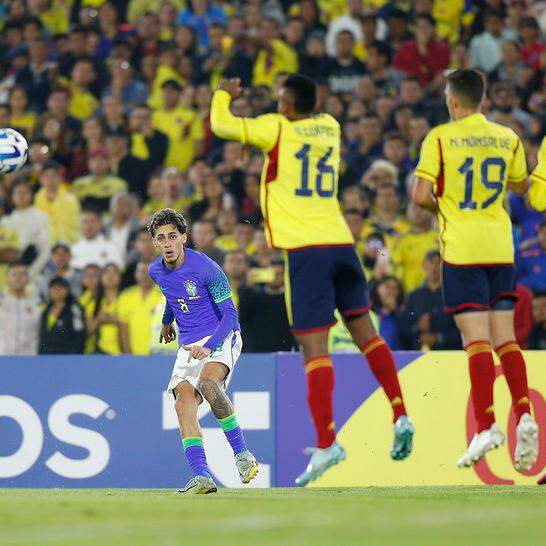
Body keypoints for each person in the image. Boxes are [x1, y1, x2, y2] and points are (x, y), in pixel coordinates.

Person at [211, 74, 413, 486]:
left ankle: (327, 442)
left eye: (281, 101)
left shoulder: (277, 127)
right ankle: (401, 413)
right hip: (342, 244)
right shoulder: (331, 128)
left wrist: (224, 95)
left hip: (306, 253)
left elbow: (221, 124)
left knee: (313, 348)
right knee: (367, 335)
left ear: (286, 104)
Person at [413, 68, 538, 471]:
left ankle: (486, 425)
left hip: (462, 249)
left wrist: (445, 208)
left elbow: (420, 194)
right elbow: (521, 187)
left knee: (476, 339)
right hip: (501, 246)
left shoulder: (440, 138)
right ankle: (525, 415)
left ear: (452, 100)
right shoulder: (507, 137)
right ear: (482, 99)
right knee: (507, 337)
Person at [147, 208, 258, 494]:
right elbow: (172, 294)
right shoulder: (155, 270)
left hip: (220, 335)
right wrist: (166, 321)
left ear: (184, 237)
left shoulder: (207, 268)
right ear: (155, 243)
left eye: (173, 236)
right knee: (182, 404)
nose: (168, 243)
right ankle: (202, 475)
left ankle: (242, 455)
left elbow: (231, 317)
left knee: (208, 385)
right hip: (187, 343)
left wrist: (208, 347)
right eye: (161, 238)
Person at [399, 250, 460, 350]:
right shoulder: (414, 296)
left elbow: (462, 329)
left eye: (439, 263)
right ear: (424, 265)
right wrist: (417, 328)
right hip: (417, 355)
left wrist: (438, 337)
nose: (434, 267)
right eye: (431, 262)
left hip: (449, 355)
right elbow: (404, 328)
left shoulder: (454, 295)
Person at [238, 259, 296, 352]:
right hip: (256, 352)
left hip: (285, 350)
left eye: (279, 274)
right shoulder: (253, 296)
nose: (275, 277)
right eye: (272, 273)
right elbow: (243, 317)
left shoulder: (291, 299)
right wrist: (248, 286)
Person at [1, 178, 51, 281]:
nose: (21, 196)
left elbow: (46, 249)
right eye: (18, 193)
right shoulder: (5, 221)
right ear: (12, 197)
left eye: (25, 192)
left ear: (31, 195)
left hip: (34, 271)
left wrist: (30, 272)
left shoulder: (40, 217)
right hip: (9, 274)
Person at [117, 260, 162, 354]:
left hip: (160, 355)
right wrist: (128, 355)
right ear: (135, 274)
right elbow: (123, 330)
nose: (145, 276)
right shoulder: (126, 297)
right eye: (141, 271)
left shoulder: (165, 295)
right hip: (134, 356)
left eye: (148, 272)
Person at [0, 263, 41, 355]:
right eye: (14, 274)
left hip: (29, 358)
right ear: (7, 278)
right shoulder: (2, 301)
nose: (18, 278)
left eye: (22, 274)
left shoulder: (37, 303)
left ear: (28, 278)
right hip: (3, 357)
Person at [39, 276, 85, 354]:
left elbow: (79, 335)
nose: (56, 290)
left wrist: (74, 357)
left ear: (67, 290)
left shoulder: (74, 309)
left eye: (60, 287)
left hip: (67, 357)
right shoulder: (45, 310)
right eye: (53, 288)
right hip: (46, 357)